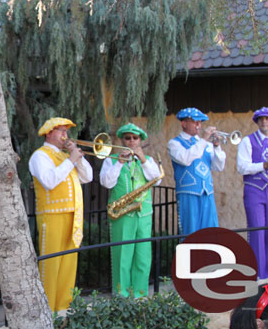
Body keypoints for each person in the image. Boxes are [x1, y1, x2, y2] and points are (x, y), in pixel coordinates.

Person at [28, 117, 93, 311]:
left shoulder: (66, 156)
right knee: (51, 265)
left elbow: (88, 176)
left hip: (72, 215)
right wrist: (71, 160)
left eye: (66, 131)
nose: (65, 135)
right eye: (61, 131)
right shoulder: (39, 156)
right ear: (49, 133)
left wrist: (77, 157)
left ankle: (64, 310)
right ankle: (47, 312)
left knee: (68, 265)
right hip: (52, 216)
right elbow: (49, 180)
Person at [99, 123, 162, 298]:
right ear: (122, 140)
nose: (132, 141)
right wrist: (119, 162)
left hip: (143, 213)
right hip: (122, 213)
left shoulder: (148, 160)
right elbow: (106, 182)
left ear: (140, 140)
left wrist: (142, 160)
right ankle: (121, 294)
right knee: (122, 255)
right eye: (128, 138)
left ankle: (140, 293)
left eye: (135, 138)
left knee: (142, 255)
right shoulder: (110, 160)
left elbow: (157, 181)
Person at [167, 107, 226, 236]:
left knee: (211, 232)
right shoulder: (174, 143)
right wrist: (204, 140)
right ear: (184, 123)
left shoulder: (206, 144)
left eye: (200, 122)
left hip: (207, 192)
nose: (199, 125)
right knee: (191, 232)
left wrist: (217, 146)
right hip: (188, 192)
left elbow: (219, 166)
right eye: (195, 121)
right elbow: (185, 159)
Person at [237, 107, 268, 280]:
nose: (264, 122)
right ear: (256, 122)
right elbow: (241, 167)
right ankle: (258, 276)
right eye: (261, 119)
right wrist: (263, 165)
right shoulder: (248, 141)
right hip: (255, 190)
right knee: (257, 231)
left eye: (267, 119)